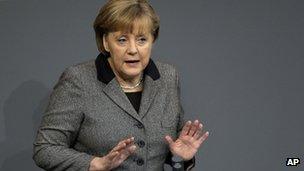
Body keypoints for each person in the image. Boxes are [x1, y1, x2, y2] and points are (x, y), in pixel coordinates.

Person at [33, 0, 209, 170]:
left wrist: (181, 158)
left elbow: (170, 147)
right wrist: (96, 164)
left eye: (141, 39)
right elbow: (45, 149)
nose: (133, 49)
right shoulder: (78, 80)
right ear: (105, 42)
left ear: (152, 41)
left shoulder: (168, 78)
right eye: (122, 40)